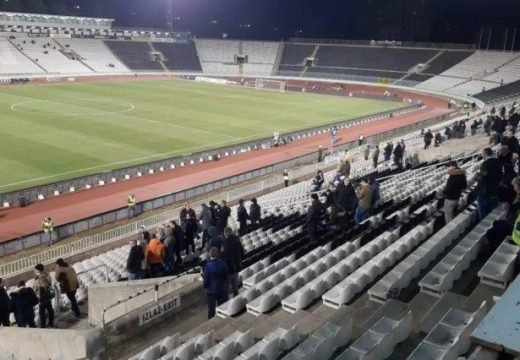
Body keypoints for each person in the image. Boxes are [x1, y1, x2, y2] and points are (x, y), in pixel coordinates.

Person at [203, 247, 229, 319]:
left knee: (211, 309)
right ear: (217, 254)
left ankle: (211, 321)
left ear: (209, 254)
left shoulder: (208, 266)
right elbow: (226, 276)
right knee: (223, 307)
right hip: (222, 289)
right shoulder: (223, 264)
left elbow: (206, 280)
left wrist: (205, 287)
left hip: (212, 290)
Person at [477, 148, 501, 220]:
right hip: (496, 190)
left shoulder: (486, 164)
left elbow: (483, 178)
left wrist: (479, 176)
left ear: (485, 154)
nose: (481, 155)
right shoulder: (498, 162)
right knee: (493, 214)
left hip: (485, 192)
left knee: (483, 212)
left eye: (482, 154)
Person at [221, 227, 244, 297]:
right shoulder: (237, 239)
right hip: (237, 266)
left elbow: (226, 256)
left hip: (230, 267)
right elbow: (242, 251)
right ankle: (237, 299)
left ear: (226, 233)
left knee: (227, 286)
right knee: (235, 285)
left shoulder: (226, 242)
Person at [33, 264, 54, 328]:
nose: (34, 271)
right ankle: (51, 323)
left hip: (42, 297)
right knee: (50, 309)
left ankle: (43, 326)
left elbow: (37, 289)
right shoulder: (47, 274)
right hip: (48, 295)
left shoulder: (39, 278)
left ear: (38, 270)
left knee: (42, 313)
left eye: (35, 270)